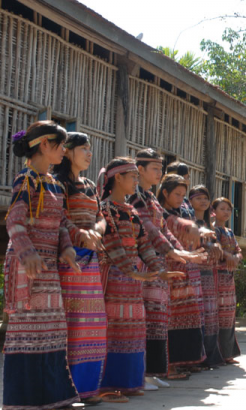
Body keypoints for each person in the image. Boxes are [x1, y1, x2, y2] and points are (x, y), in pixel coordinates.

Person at [3, 121, 81, 409]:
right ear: (44, 145)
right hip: (30, 268)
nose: (64, 150)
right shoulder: (27, 179)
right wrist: (27, 252)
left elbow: (61, 224)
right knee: (29, 332)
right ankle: (25, 400)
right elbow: (14, 219)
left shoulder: (54, 184)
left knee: (51, 331)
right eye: (61, 145)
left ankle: (54, 396)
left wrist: (68, 249)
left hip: (47, 266)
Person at [96, 157, 181, 401]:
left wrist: (157, 269)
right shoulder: (105, 209)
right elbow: (112, 245)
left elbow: (144, 244)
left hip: (132, 280)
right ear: (117, 178)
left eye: (136, 176)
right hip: (114, 279)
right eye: (132, 176)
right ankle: (109, 385)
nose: (136, 180)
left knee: (133, 330)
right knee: (115, 330)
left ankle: (129, 382)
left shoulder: (131, 210)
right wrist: (133, 271)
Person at [129, 148, 200, 386]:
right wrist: (175, 252)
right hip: (141, 261)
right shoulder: (135, 197)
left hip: (157, 261)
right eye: (156, 168)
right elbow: (149, 229)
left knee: (158, 317)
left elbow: (165, 231)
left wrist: (182, 252)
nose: (160, 172)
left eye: (161, 168)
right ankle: (141, 373)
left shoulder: (150, 199)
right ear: (140, 170)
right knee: (144, 319)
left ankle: (153, 371)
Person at [52, 132, 108, 405]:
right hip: (68, 260)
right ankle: (67, 389)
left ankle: (88, 389)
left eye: (90, 149)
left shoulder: (89, 185)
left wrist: (96, 230)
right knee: (71, 325)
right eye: (84, 149)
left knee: (92, 324)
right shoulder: (58, 184)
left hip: (91, 260)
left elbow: (101, 217)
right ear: (69, 152)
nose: (89, 154)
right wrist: (79, 234)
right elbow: (59, 217)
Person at [158, 174, 208, 372]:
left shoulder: (182, 212)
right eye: (177, 194)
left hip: (186, 266)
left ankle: (186, 360)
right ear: (165, 192)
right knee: (172, 317)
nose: (181, 198)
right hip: (169, 269)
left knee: (189, 313)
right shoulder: (161, 212)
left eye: (182, 195)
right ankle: (170, 364)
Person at [189, 185, 225, 367]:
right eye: (198, 198)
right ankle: (197, 357)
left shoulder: (211, 226)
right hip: (195, 271)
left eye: (205, 198)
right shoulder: (189, 223)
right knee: (197, 314)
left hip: (209, 273)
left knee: (210, 314)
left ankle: (210, 356)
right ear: (190, 201)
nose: (203, 201)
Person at [213, 197, 243, 364]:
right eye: (222, 208)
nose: (225, 212)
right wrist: (229, 256)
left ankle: (227, 352)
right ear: (214, 211)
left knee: (229, 314)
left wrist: (236, 257)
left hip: (229, 278)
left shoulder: (230, 232)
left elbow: (239, 250)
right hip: (217, 277)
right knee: (216, 314)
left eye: (228, 209)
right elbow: (216, 249)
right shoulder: (213, 231)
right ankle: (218, 353)